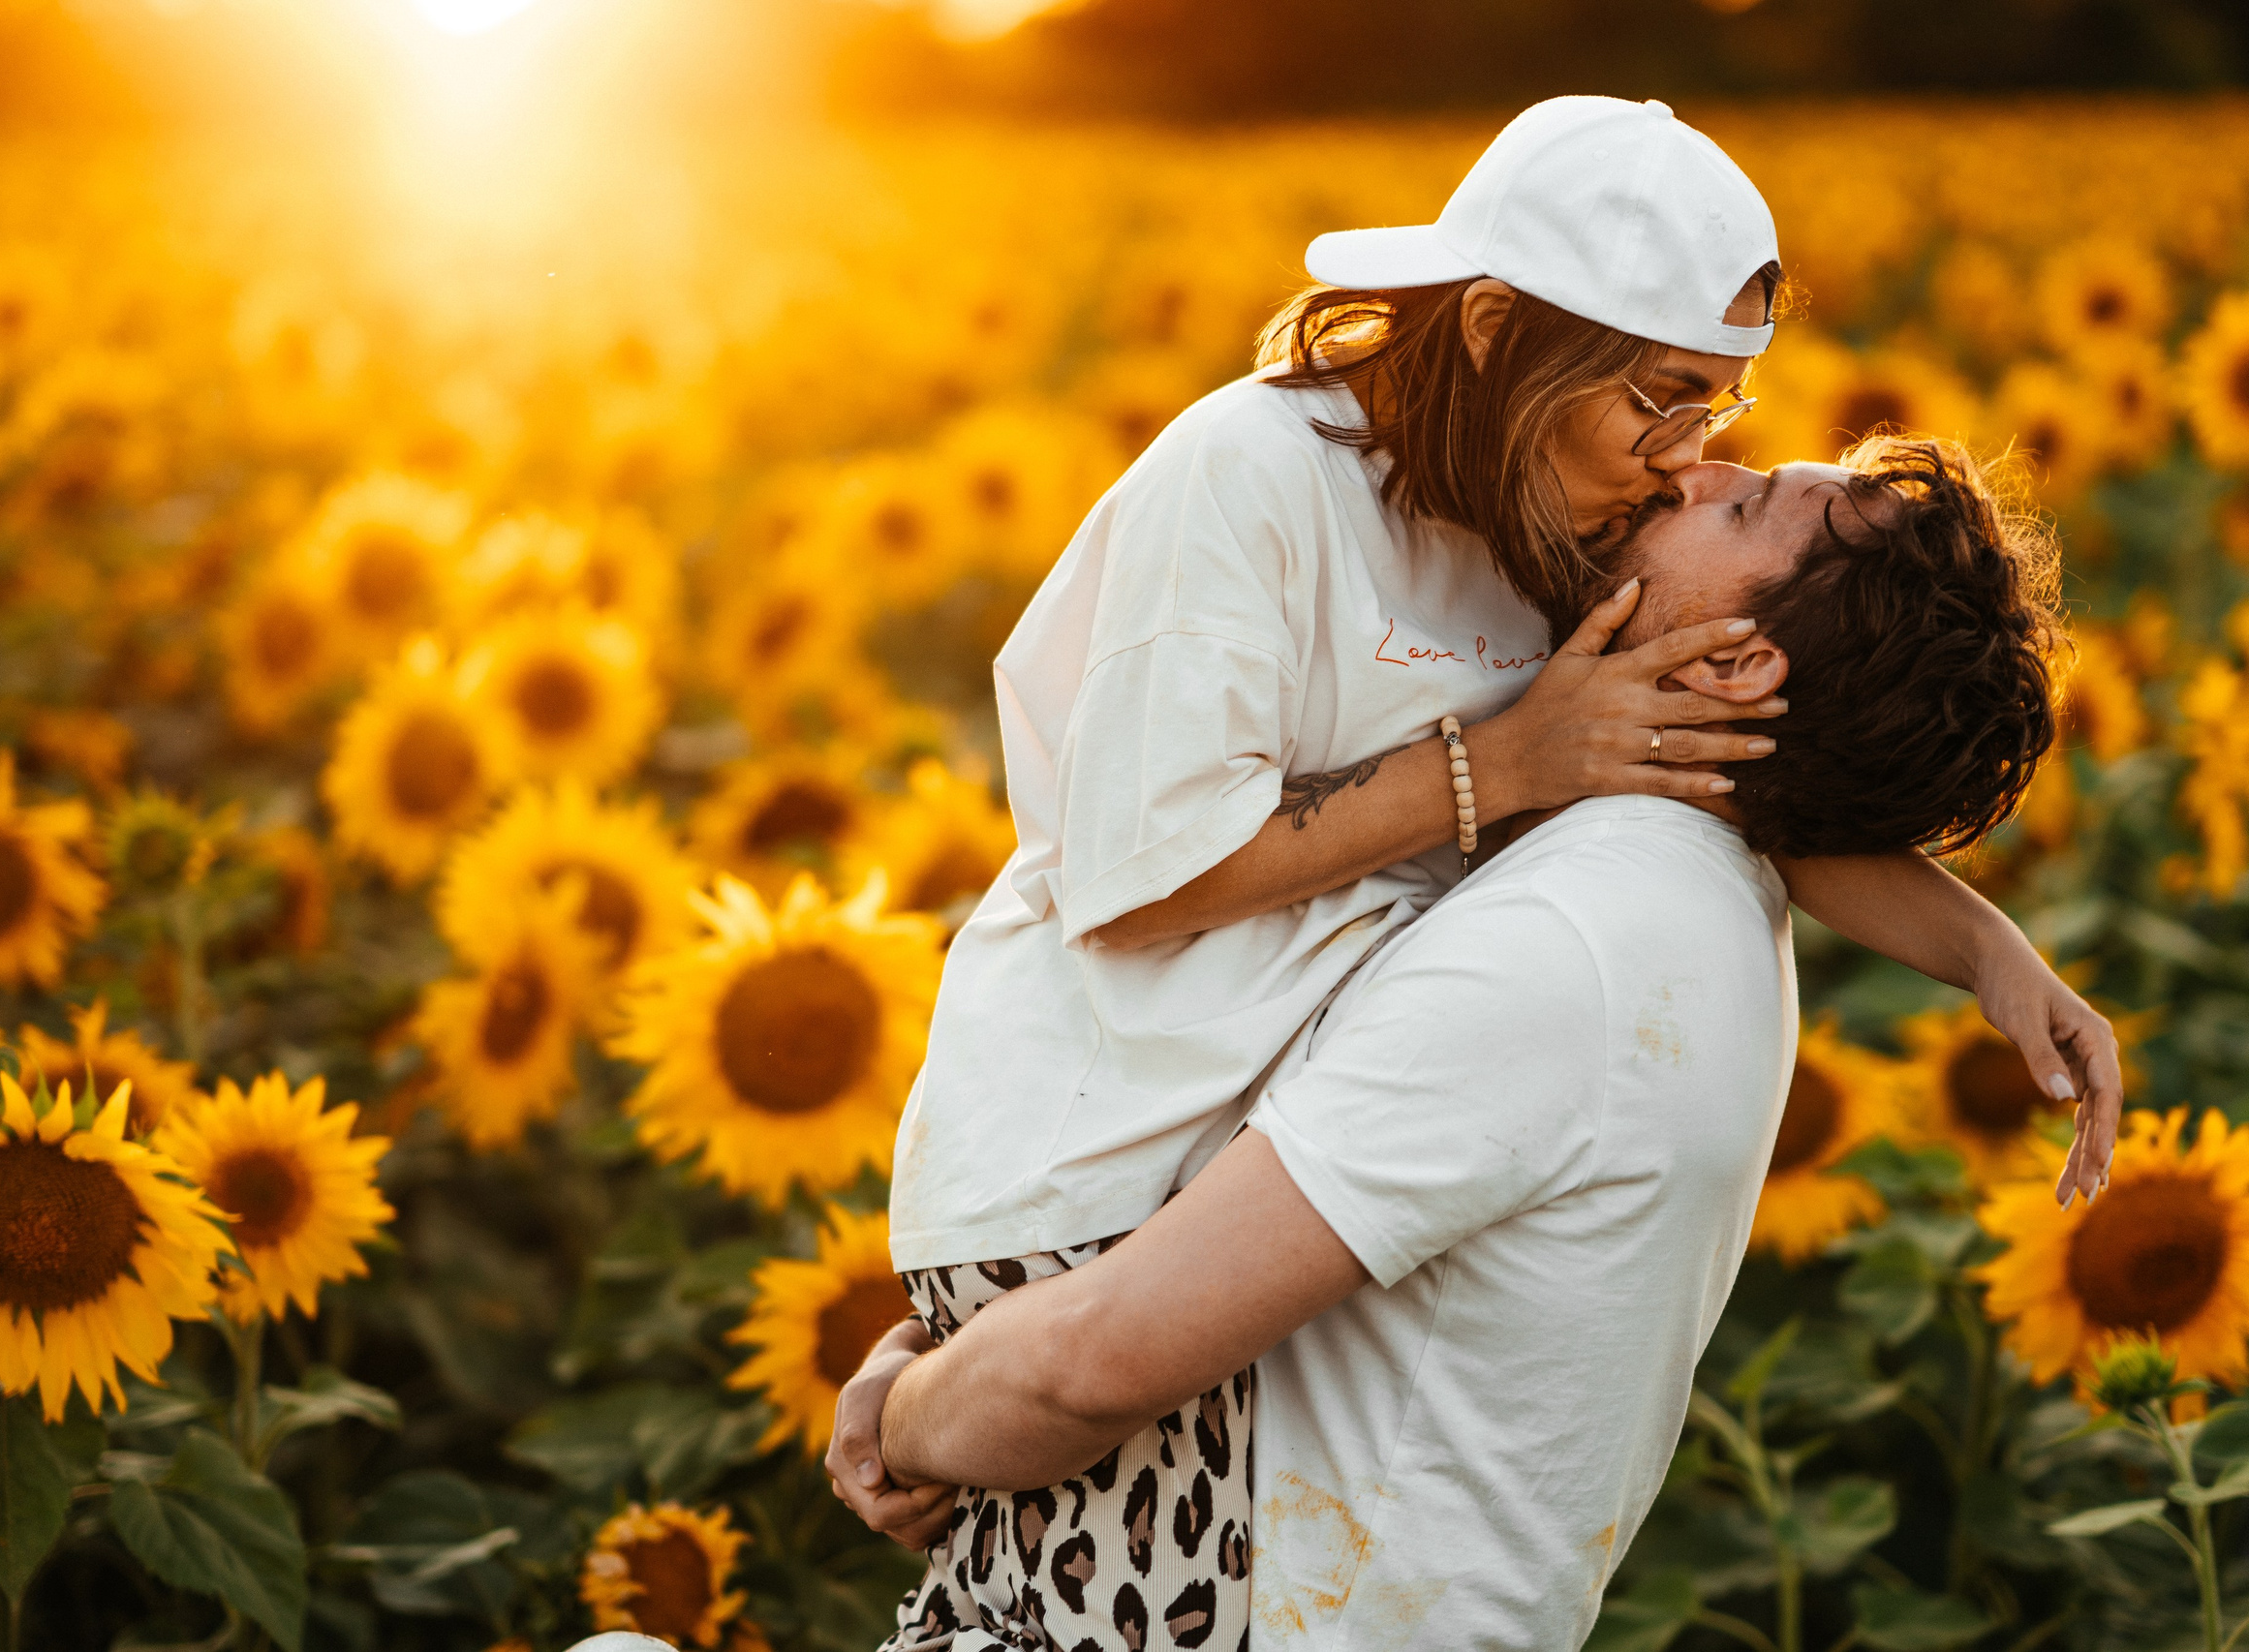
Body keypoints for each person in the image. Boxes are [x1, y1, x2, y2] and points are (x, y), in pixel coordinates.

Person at [852, 97, 2119, 1651]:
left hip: (1223, 1167)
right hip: (1099, 1136)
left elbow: (1757, 768)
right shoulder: (1258, 477)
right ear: (1504, 330)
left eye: (1720, 413)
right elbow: (1142, 877)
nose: (1687, 462)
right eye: (1663, 401)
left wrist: (1994, 955)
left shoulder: (1560, 522)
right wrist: (1507, 768)